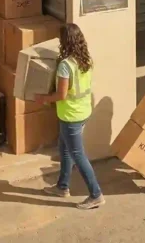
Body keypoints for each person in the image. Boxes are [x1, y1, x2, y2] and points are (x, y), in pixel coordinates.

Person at [34, 23, 105, 210]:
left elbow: (62, 95)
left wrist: (44, 98)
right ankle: (62, 187)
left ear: (65, 41)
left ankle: (96, 194)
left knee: (78, 155)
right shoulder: (86, 60)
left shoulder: (66, 66)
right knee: (64, 149)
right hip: (82, 112)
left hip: (70, 115)